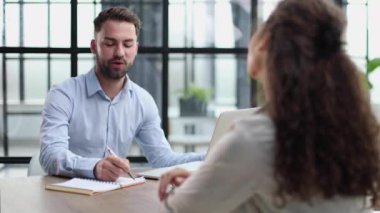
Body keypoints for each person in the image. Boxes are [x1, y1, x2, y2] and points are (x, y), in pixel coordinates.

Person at [158, 0, 380, 212]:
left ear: (264, 43)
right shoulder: (357, 130)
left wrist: (191, 192)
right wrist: (210, 184)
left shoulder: (256, 137)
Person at [39, 6, 204, 181]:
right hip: (65, 197)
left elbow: (163, 159)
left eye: (127, 44)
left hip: (113, 197)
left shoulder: (143, 101)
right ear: (94, 47)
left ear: (136, 48)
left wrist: (211, 156)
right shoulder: (63, 94)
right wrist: (95, 167)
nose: (119, 52)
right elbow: (50, 155)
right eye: (110, 43)